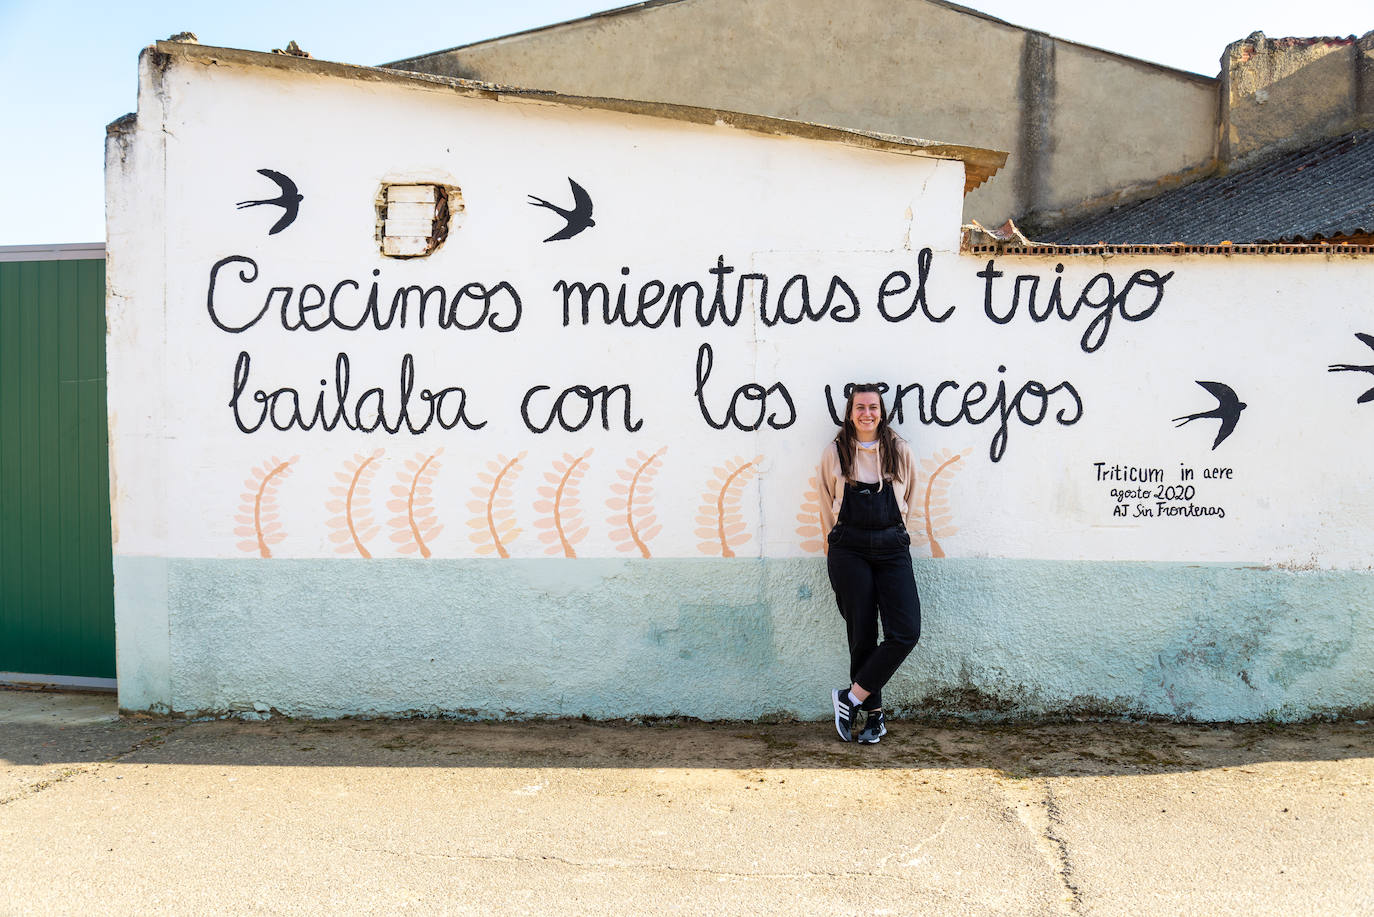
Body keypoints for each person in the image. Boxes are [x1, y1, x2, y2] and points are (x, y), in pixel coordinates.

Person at [818, 384, 922, 743]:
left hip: (892, 546)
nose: (867, 413)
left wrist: (896, 534)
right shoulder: (835, 453)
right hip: (849, 548)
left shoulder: (900, 450)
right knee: (861, 633)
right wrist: (833, 550)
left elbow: (910, 497)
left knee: (905, 632)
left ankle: (850, 698)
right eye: (860, 407)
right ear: (850, 413)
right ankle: (874, 719)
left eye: (873, 407)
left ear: (882, 412)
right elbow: (824, 503)